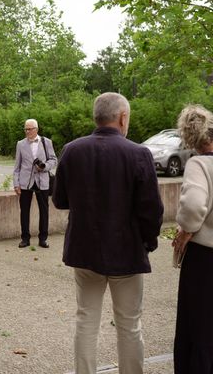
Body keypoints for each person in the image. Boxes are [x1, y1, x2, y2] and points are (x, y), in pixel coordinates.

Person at [52, 92, 163, 374]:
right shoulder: (138, 154)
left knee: (86, 320)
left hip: (84, 251)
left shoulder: (72, 150)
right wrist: (148, 243)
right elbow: (151, 209)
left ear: (97, 117)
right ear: (123, 118)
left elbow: (60, 200)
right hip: (126, 252)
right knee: (129, 324)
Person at [172, 104, 213, 372]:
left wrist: (186, 230)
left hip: (205, 259)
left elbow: (194, 204)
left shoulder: (200, 163)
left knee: (199, 327)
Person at [13, 119, 57, 248]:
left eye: (30, 129)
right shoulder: (20, 144)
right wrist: (16, 184)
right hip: (25, 181)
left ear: (36, 129)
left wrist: (44, 167)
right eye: (26, 129)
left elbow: (54, 160)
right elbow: (17, 166)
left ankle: (43, 238)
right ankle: (25, 238)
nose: (27, 131)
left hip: (42, 181)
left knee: (44, 211)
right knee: (24, 211)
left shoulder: (46, 142)